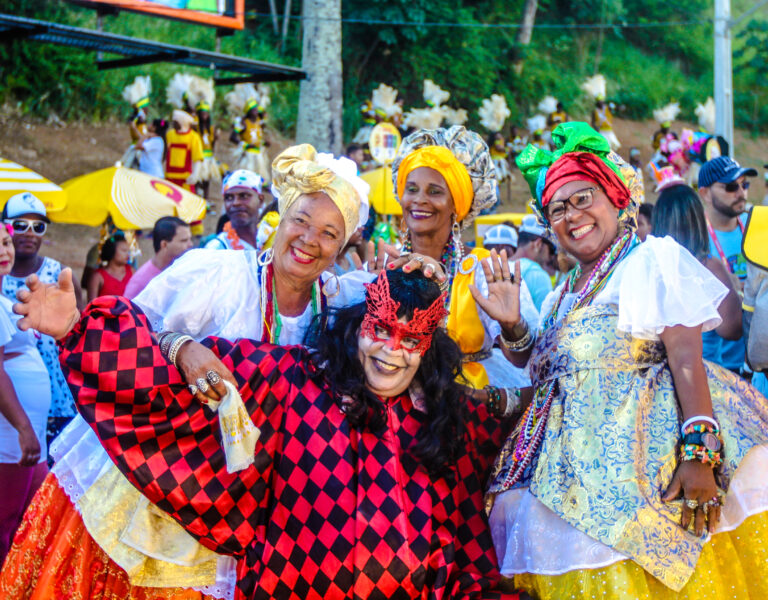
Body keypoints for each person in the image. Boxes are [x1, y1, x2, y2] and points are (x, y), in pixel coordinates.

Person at [0, 144, 398, 599]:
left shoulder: (340, 303)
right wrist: (180, 346)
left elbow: (407, 331)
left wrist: (424, 265)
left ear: (344, 244)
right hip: (153, 482)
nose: (310, 240)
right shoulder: (220, 274)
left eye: (330, 233)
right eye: (302, 221)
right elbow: (139, 322)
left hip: (242, 515)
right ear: (282, 218)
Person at [5, 262, 527, 599]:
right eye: (381, 329)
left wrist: (517, 331)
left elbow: (542, 404)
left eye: (410, 338)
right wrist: (82, 327)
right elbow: (171, 382)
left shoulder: (446, 417)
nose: (391, 349)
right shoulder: (292, 378)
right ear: (359, 323)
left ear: (428, 346)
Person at [488, 121, 768, 599]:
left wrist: (700, 455)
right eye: (557, 208)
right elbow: (549, 377)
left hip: (650, 477)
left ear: (617, 198)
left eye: (582, 198)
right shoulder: (560, 295)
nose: (571, 215)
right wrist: (514, 326)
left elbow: (686, 361)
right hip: (573, 484)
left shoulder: (649, 260)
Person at [390, 125, 539, 403]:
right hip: (396, 404)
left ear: (457, 205)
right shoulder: (385, 266)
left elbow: (526, 359)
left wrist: (511, 325)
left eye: (435, 191)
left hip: (470, 404)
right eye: (412, 189)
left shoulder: (483, 269)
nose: (420, 199)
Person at [1, 192, 82, 448]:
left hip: (62, 400)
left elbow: (80, 336)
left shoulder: (60, 276)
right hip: (10, 406)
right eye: (20, 225)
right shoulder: (1, 275)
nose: (29, 233)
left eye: (38, 226)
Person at [0, 223, 51, 567]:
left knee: (36, 518)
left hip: (28, 430)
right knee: (6, 524)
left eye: (5, 243)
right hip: (11, 432)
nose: (4, 251)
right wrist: (22, 428)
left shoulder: (6, 299)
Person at [652, 184, 742, 341]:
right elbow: (731, 330)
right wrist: (736, 290)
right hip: (703, 363)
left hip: (657, 363)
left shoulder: (647, 266)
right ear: (698, 222)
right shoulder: (708, 267)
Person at [698, 156, 757, 375]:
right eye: (731, 186)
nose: (741, 193)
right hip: (718, 368)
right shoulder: (697, 241)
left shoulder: (757, 231)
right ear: (705, 193)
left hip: (757, 364)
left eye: (745, 184)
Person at [124, 216, 193, 299]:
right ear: (164, 244)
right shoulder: (140, 282)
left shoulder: (183, 268)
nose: (190, 244)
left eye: (190, 239)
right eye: (184, 240)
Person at [204, 170, 264, 251]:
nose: (235, 203)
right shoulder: (217, 249)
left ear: (260, 200)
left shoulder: (276, 238)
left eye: (244, 196)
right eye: (229, 198)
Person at [508, 215, 555, 311]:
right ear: (538, 244)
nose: (551, 256)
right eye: (551, 249)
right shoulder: (538, 275)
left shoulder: (500, 266)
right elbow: (544, 322)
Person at [165, 109, 204, 193]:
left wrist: (195, 174)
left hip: (185, 179)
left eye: (176, 121)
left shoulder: (194, 137)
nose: (174, 124)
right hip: (169, 177)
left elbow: (197, 158)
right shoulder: (170, 134)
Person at [87, 233, 133, 301]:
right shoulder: (97, 277)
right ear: (112, 251)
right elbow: (91, 306)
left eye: (128, 251)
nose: (128, 254)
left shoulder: (132, 272)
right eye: (124, 250)